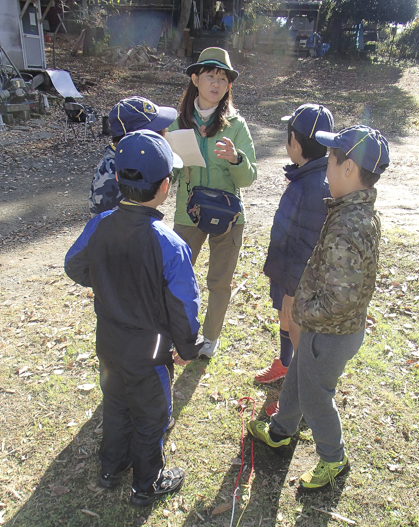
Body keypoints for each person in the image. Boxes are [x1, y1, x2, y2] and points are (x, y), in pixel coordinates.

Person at [65, 130, 203, 506]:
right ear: (165, 186)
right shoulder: (170, 244)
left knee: (115, 403)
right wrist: (189, 347)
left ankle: (111, 466)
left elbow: (74, 265)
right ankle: (147, 483)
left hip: (108, 343)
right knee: (152, 417)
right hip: (149, 353)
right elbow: (183, 305)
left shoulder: (101, 223)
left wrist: (108, 281)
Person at [248, 125, 390, 491]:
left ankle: (333, 457)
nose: (325, 164)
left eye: (330, 159)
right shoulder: (356, 211)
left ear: (349, 169)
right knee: (298, 377)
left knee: (316, 397)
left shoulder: (347, 225)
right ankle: (281, 429)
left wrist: (303, 312)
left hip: (329, 333)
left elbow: (339, 300)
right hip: (329, 328)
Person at [169, 47, 257, 359]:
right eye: (210, 76)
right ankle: (177, 332)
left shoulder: (236, 125)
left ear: (229, 86)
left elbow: (248, 177)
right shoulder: (179, 122)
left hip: (229, 215)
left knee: (219, 282)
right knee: (177, 275)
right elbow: (172, 172)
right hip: (189, 213)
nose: (216, 84)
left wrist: (236, 158)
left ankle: (210, 338)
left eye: (223, 78)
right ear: (195, 78)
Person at [254, 105, 334, 407]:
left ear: (294, 144)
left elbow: (305, 247)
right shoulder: (311, 176)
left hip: (297, 281)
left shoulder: (312, 187)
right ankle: (285, 365)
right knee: (285, 321)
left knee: (294, 323)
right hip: (288, 274)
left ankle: (300, 388)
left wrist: (291, 291)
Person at [89, 96, 177, 216]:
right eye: (158, 131)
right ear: (138, 136)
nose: (163, 134)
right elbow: (118, 228)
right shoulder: (116, 173)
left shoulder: (126, 161)